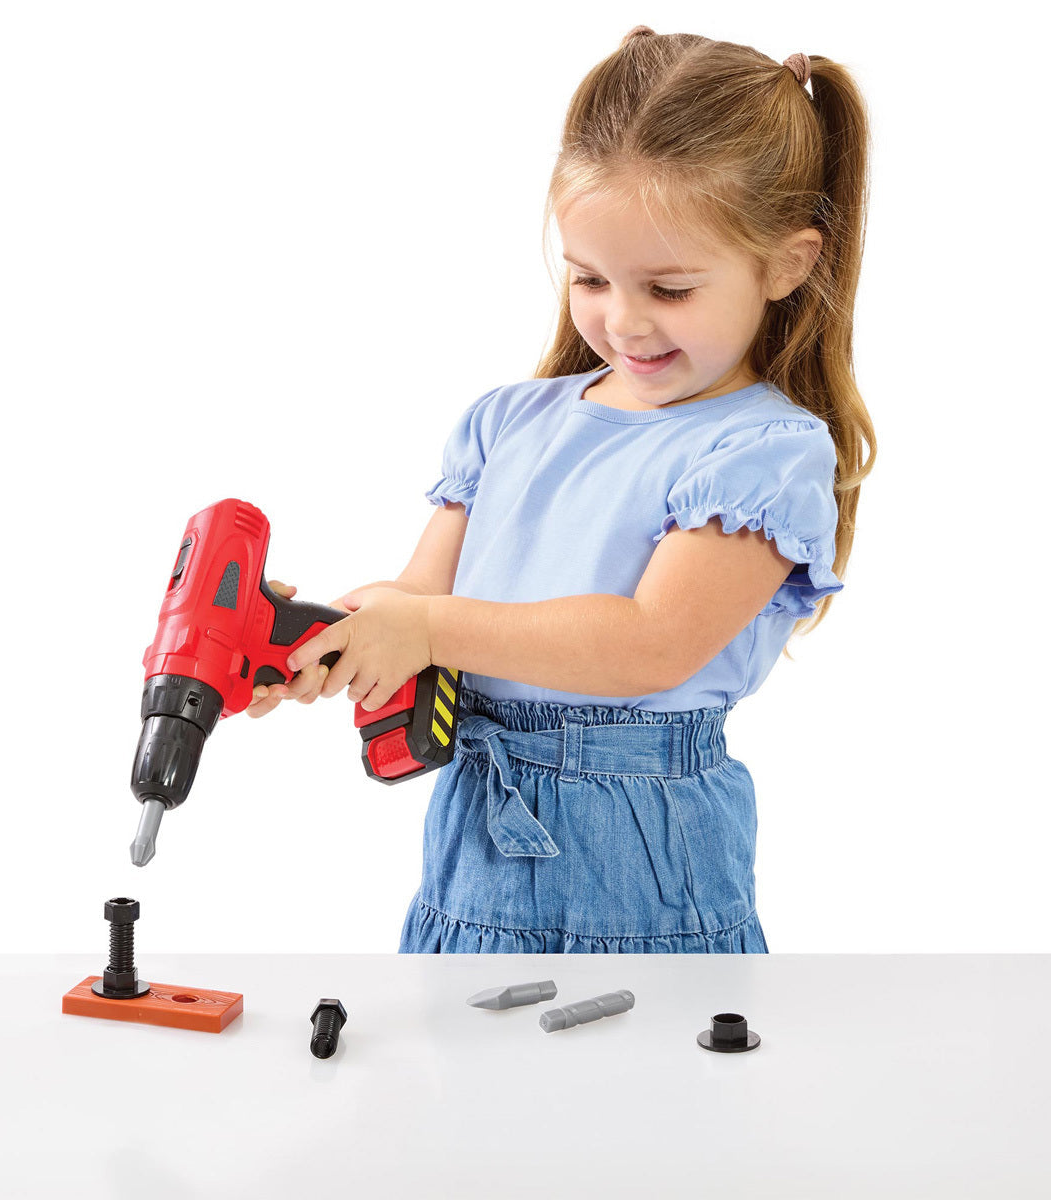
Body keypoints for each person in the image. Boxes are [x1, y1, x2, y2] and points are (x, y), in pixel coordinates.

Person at [251, 26, 876, 953]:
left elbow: (649, 646)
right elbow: (423, 597)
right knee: (459, 1043)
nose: (623, 320)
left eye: (669, 289)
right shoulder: (510, 422)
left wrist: (424, 628)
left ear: (787, 263)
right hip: (477, 837)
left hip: (644, 858)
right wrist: (323, 637)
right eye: (590, 278)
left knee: (647, 1049)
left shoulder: (759, 454)